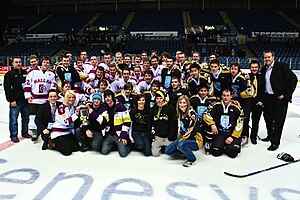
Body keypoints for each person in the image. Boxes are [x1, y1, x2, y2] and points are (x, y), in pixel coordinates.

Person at [261, 50, 297, 151]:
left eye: (269, 57)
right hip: (268, 97)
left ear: (273, 57)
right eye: (265, 57)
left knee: (278, 121)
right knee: (267, 117)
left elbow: (293, 80)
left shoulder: (282, 66)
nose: (267, 59)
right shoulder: (264, 69)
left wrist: (285, 95)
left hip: (279, 99)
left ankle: (275, 142)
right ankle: (270, 135)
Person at [203, 89, 243, 158]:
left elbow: (240, 122)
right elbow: (206, 114)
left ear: (231, 96)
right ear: (221, 96)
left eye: (228, 96)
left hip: (231, 133)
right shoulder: (216, 105)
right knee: (216, 152)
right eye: (224, 95)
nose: (226, 97)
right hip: (219, 133)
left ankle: (227, 144)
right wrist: (212, 124)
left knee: (233, 154)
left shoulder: (236, 108)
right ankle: (221, 143)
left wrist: (233, 136)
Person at [24, 56, 57, 142]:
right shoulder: (32, 72)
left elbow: (53, 87)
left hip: (46, 99)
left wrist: (51, 98)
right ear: (41, 63)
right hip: (34, 99)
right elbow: (27, 84)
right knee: (32, 116)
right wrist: (28, 95)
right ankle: (34, 132)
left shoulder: (52, 74)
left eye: (47, 62)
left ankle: (44, 130)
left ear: (49, 64)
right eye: (44, 62)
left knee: (44, 116)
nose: (45, 64)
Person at [165, 95, 203, 167]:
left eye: (184, 103)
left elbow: (191, 131)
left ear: (187, 104)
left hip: (195, 140)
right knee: (168, 151)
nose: (182, 105)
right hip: (184, 138)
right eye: (180, 102)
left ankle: (192, 159)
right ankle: (184, 152)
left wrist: (181, 141)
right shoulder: (180, 114)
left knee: (180, 145)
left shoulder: (192, 114)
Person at [4, 56, 32, 142]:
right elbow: (7, 88)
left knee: (26, 118)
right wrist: (11, 100)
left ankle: (25, 132)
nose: (18, 63)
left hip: (25, 101)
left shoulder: (25, 73)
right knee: (13, 120)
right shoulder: (9, 74)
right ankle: (13, 135)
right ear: (12, 63)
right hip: (15, 101)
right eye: (16, 62)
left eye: (19, 62)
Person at [101, 90, 131, 157]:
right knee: (104, 151)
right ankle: (115, 145)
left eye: (109, 96)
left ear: (112, 97)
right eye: (105, 97)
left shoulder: (121, 107)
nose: (107, 99)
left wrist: (123, 135)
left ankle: (128, 146)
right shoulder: (103, 107)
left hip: (119, 133)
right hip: (109, 133)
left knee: (123, 154)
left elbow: (127, 121)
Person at [50, 90, 80, 156]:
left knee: (76, 148)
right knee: (67, 152)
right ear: (66, 98)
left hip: (67, 132)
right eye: (69, 97)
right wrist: (75, 115)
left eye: (73, 97)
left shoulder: (72, 107)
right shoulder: (61, 109)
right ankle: (53, 143)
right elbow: (66, 122)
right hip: (58, 132)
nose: (71, 99)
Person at [149, 90, 177, 157]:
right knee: (155, 154)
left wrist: (171, 136)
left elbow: (174, 124)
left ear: (164, 98)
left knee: (171, 154)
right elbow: (149, 123)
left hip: (168, 136)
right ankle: (161, 147)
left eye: (160, 98)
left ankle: (165, 147)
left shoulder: (170, 108)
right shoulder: (152, 110)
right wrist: (151, 136)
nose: (159, 100)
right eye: (157, 98)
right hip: (157, 137)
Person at [248, 60, 264, 145]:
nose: (254, 69)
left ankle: (253, 137)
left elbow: (264, 90)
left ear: (258, 68)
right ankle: (244, 136)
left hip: (258, 103)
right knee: (245, 120)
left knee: (255, 121)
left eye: (256, 67)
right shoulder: (247, 77)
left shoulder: (262, 77)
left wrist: (261, 101)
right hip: (248, 102)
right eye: (252, 67)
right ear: (250, 68)